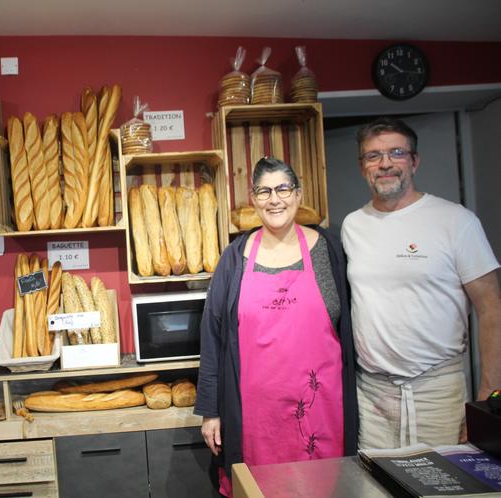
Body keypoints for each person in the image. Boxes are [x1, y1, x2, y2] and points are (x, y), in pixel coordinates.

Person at [195, 157, 358, 497]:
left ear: (298, 195)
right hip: (255, 418)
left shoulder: (330, 250)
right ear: (253, 199)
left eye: (283, 188)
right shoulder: (235, 258)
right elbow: (212, 336)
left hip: (321, 410)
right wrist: (211, 411)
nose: (275, 199)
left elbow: (352, 325)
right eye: (264, 191)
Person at [341, 116, 501, 449]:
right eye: (373, 156)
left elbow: (492, 308)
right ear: (362, 167)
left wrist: (488, 399)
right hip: (372, 397)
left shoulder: (456, 221)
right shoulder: (352, 226)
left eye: (396, 153)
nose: (385, 164)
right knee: (375, 488)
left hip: (437, 393)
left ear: (414, 161)